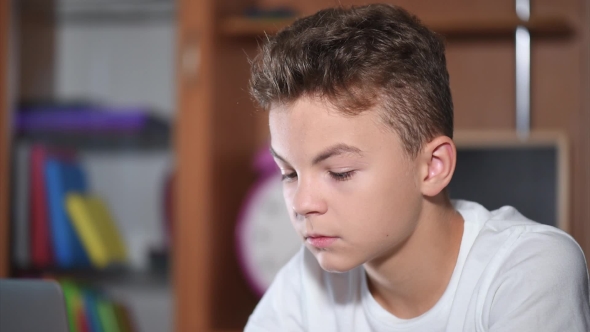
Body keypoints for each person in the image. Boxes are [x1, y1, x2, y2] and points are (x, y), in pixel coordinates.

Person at [244, 3, 590, 331]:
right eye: (289, 173)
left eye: (340, 172)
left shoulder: (529, 269)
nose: (302, 203)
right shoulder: (305, 285)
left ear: (433, 167)